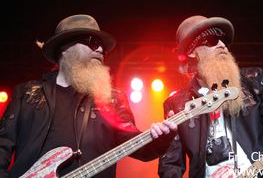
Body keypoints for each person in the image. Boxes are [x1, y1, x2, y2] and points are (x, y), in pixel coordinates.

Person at [0, 14, 177, 178]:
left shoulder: (111, 100)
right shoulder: (26, 94)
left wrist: (161, 138)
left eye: (102, 47)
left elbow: (139, 148)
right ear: (65, 49)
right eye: (92, 42)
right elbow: (2, 147)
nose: (100, 49)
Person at [158, 15, 263, 178]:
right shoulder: (176, 104)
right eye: (213, 40)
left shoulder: (253, 81)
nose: (222, 46)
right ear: (192, 52)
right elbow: (171, 164)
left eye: (223, 40)